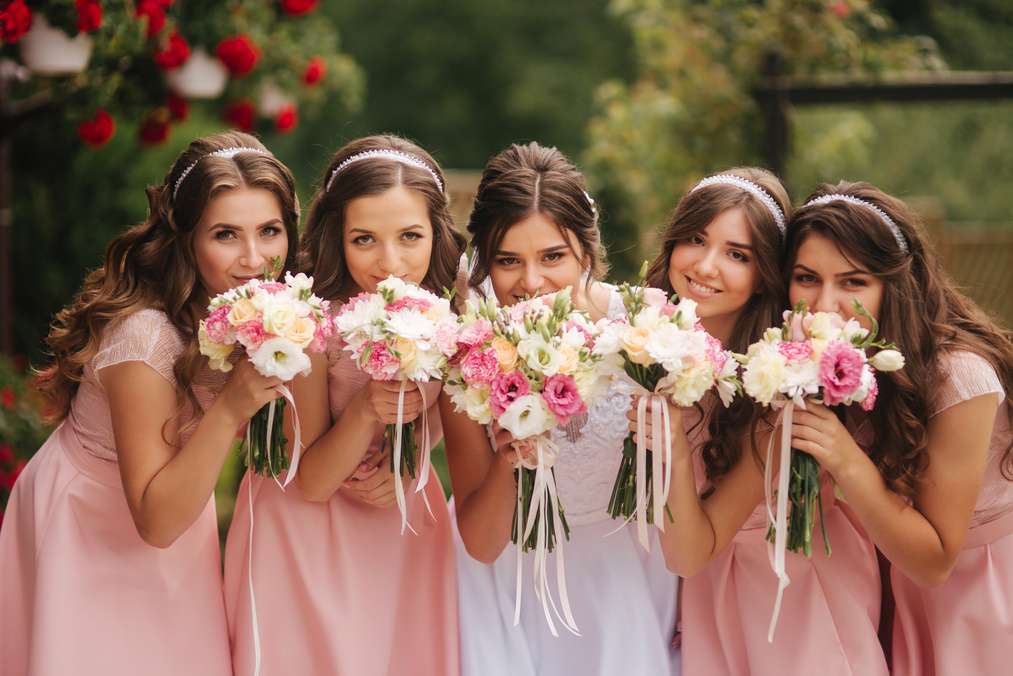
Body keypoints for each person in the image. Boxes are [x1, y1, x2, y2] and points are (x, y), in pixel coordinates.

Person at [0, 131, 300, 676]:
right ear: (186, 239)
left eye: (269, 231)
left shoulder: (268, 312)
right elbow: (156, 522)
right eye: (226, 234)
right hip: (94, 520)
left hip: (181, 497)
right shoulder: (146, 335)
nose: (255, 258)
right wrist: (231, 405)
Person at [223, 135, 466, 676]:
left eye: (410, 236)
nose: (390, 262)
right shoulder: (308, 320)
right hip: (306, 524)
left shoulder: (455, 307)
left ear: (435, 233)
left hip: (401, 517)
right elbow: (309, 481)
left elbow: (440, 413)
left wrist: (413, 458)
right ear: (337, 235)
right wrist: (364, 409)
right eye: (364, 239)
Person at [631, 168, 889, 675]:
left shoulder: (779, 383)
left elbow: (691, 550)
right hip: (707, 595)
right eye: (696, 239)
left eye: (737, 254)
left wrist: (675, 455)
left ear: (764, 271)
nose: (706, 266)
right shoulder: (642, 338)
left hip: (793, 587)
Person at [443, 141, 680, 676]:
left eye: (553, 257)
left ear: (587, 254)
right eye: (508, 261)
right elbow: (480, 542)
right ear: (484, 261)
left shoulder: (645, 332)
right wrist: (510, 457)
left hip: (627, 576)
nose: (530, 282)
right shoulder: (468, 349)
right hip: (510, 582)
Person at [784, 181, 1013, 676]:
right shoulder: (815, 362)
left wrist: (844, 457)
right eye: (807, 277)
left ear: (894, 285)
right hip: (884, 584)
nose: (825, 305)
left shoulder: (959, 376)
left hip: (977, 595)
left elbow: (935, 561)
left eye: (853, 282)